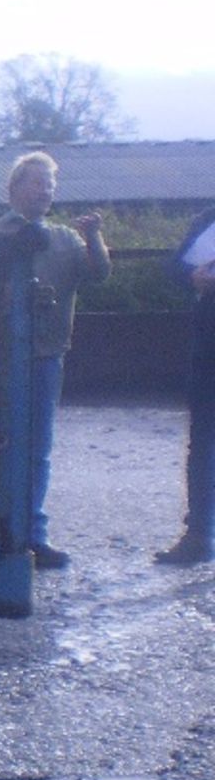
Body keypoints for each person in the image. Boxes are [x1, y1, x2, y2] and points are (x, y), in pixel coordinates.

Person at [0, 151, 111, 569]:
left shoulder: (65, 239)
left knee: (38, 449)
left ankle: (33, 533)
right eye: (37, 182)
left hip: (46, 354)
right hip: (0, 357)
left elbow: (99, 274)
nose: (45, 190)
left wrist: (95, 238)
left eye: (50, 184)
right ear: (15, 187)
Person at [155, 207, 215, 565]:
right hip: (208, 350)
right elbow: (172, 267)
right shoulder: (207, 220)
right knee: (203, 444)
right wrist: (193, 277)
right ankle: (198, 536)